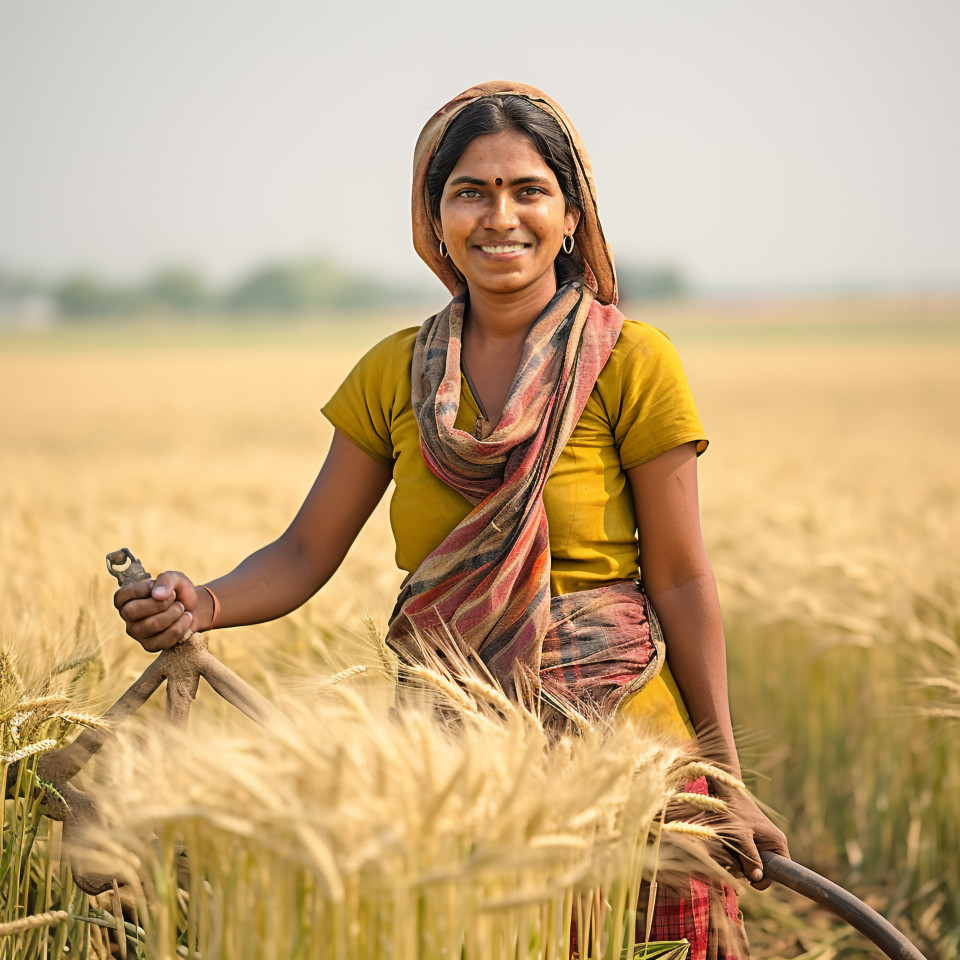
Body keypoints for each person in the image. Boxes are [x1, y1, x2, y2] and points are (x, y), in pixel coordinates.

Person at [115, 81, 789, 959]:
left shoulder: (634, 360)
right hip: (451, 766)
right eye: (470, 191)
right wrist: (198, 601)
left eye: (528, 190)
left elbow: (681, 577)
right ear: (433, 221)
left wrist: (724, 776)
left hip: (632, 763)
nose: (499, 216)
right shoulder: (392, 372)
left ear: (572, 216)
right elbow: (305, 549)